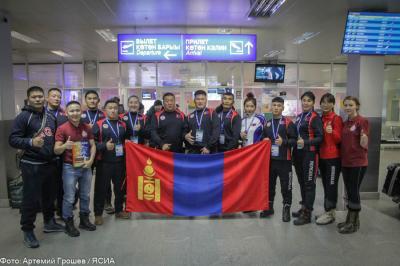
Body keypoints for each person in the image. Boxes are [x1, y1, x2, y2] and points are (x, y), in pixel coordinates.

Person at [9, 86, 64, 248]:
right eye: (34, 97)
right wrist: (30, 142)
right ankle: (28, 230)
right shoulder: (23, 117)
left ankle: (49, 222)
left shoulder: (49, 116)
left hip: (50, 163)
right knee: (31, 200)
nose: (38, 99)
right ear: (29, 98)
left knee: (49, 196)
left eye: (40, 96)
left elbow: (53, 137)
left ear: (44, 98)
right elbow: (13, 139)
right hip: (31, 165)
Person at [54, 101, 97, 237]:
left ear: (81, 112)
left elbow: (93, 145)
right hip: (70, 168)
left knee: (85, 195)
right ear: (66, 113)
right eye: (71, 111)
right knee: (69, 197)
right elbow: (56, 150)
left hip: (85, 166)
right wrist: (64, 146)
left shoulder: (86, 127)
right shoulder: (62, 128)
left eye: (77, 110)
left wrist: (91, 160)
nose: (75, 113)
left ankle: (84, 219)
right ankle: (68, 222)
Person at [92, 99, 130, 225]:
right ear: (105, 109)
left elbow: (126, 140)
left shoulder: (123, 124)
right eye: (110, 108)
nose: (113, 110)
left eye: (115, 108)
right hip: (104, 163)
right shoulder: (99, 124)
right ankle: (98, 214)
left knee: (119, 189)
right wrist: (103, 146)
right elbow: (92, 144)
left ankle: (119, 210)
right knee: (100, 189)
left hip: (120, 162)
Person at [261, 97, 297, 222]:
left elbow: (294, 141)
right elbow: (263, 138)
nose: (276, 107)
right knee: (270, 185)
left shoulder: (288, 122)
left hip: (284, 161)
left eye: (278, 105)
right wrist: (264, 140)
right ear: (271, 107)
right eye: (274, 105)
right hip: (270, 161)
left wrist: (284, 142)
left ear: (283, 108)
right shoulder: (267, 123)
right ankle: (269, 207)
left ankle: (286, 208)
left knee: (286, 186)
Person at [338, 96, 369, 234]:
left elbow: (364, 143)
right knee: (349, 191)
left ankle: (353, 222)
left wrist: (364, 139)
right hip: (346, 162)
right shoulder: (346, 123)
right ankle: (351, 220)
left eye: (351, 105)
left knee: (353, 191)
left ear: (357, 106)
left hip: (358, 162)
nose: (348, 107)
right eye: (346, 105)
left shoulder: (362, 121)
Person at [292, 91, 323, 225]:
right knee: (302, 182)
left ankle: (307, 214)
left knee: (309, 184)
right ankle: (304, 207)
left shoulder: (315, 117)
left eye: (309, 100)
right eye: (304, 100)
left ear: (313, 103)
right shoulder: (299, 117)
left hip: (310, 155)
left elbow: (320, 138)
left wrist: (306, 142)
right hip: (299, 154)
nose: (306, 103)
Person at [80, 90, 112, 214]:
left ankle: (107, 202)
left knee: (104, 179)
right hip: (84, 151)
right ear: (85, 100)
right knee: (84, 180)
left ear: (98, 101)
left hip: (100, 151)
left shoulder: (104, 115)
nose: (92, 101)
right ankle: (84, 207)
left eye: (95, 98)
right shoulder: (80, 115)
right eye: (89, 98)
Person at [316, 93, 343, 225]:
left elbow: (339, 139)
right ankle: (329, 212)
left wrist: (332, 132)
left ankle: (330, 213)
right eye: (323, 102)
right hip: (322, 157)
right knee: (326, 185)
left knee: (331, 185)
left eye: (328, 102)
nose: (325, 105)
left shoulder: (336, 119)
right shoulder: (320, 118)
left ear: (333, 104)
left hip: (333, 158)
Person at [46, 88, 68, 217]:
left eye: (59, 97)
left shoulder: (64, 115)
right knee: (48, 186)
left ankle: (60, 210)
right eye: (53, 96)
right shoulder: (41, 114)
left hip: (61, 154)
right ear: (47, 98)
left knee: (62, 184)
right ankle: (48, 215)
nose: (56, 98)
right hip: (46, 156)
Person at [185, 90, 220, 154]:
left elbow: (216, 132)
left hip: (209, 150)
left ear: (206, 100)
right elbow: (184, 131)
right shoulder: (189, 116)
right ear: (194, 101)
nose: (200, 101)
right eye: (198, 99)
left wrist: (208, 147)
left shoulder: (212, 113)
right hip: (194, 151)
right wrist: (185, 135)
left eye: (202, 99)